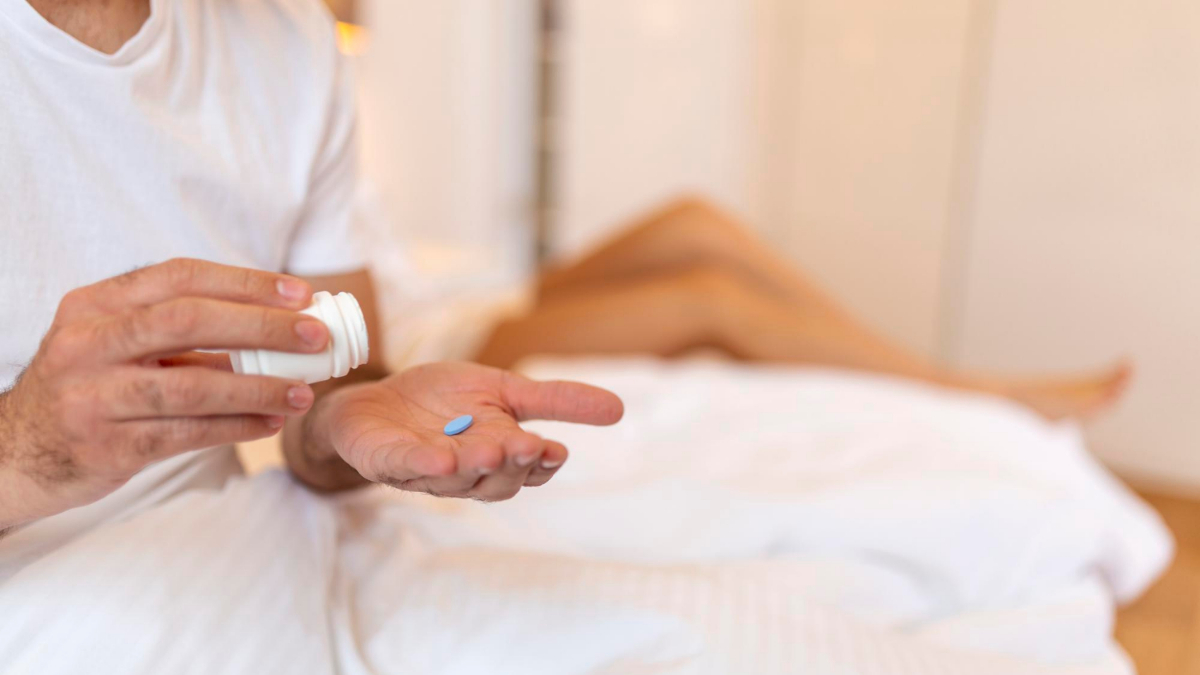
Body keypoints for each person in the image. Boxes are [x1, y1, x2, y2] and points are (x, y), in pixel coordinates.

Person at [0, 0, 623, 563]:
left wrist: (338, 426)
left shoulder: (292, 40)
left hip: (233, 569)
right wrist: (29, 447)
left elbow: (336, 382)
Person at [473, 197, 1130, 422]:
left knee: (696, 222)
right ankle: (982, 392)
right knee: (711, 299)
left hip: (466, 295)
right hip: (457, 342)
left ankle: (920, 364)